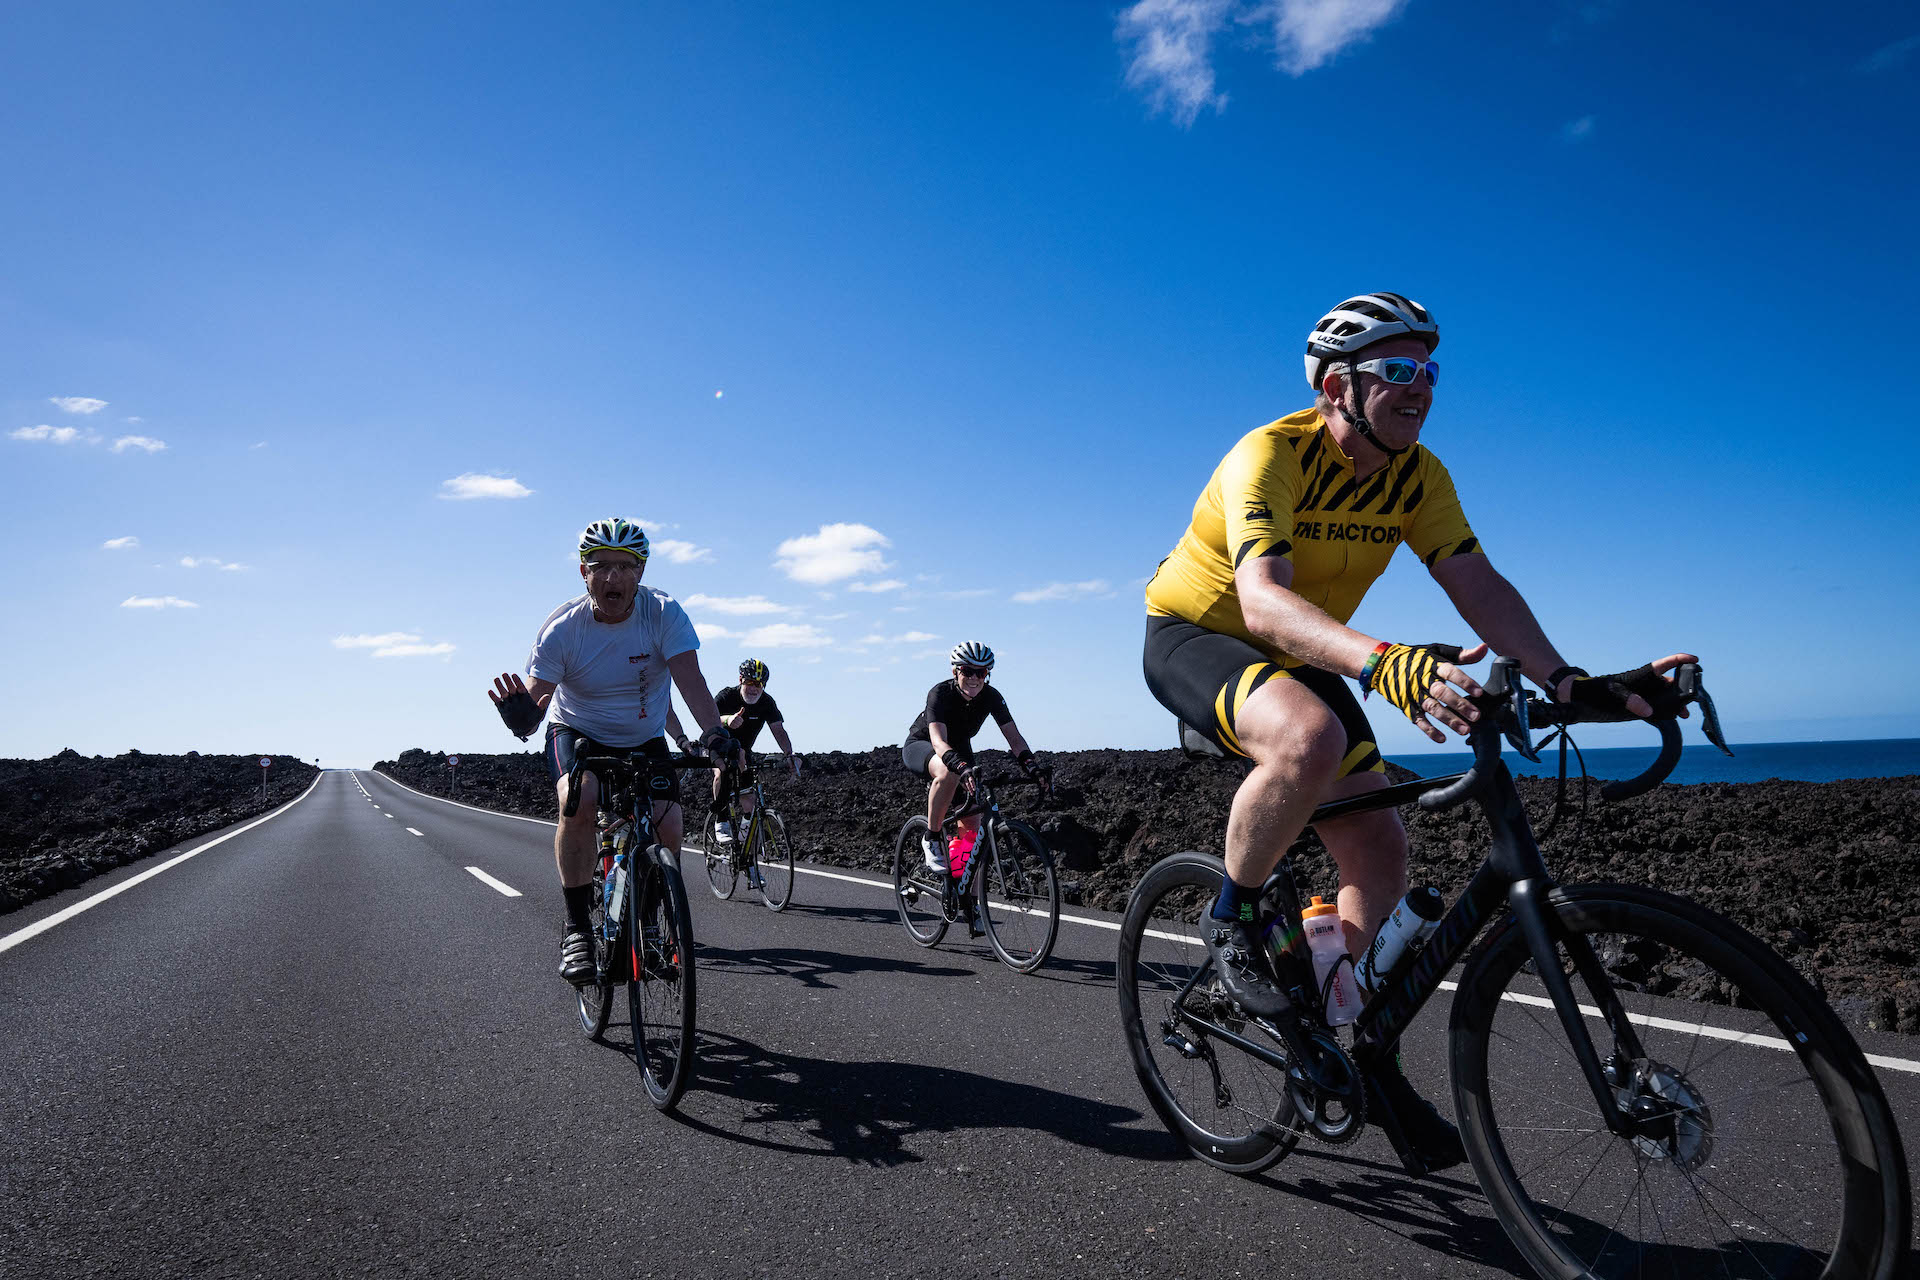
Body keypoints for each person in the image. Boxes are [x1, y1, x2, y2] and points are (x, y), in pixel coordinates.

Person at [1141, 292, 1695, 1171]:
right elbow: (1264, 602)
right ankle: (1232, 915)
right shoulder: (1269, 455)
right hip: (1203, 631)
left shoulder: (1419, 475)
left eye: (1429, 370)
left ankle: (1357, 1042)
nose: (1421, 387)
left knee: (1383, 850)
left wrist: (1568, 681)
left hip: (1309, 646)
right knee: (1309, 739)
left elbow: (1479, 585)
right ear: (1336, 386)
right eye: (1396, 369)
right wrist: (1386, 662)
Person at [488, 517, 734, 985]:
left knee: (668, 822)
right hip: (576, 730)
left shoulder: (663, 614)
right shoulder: (563, 628)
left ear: (641, 572)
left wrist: (714, 735)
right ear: (584, 572)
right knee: (578, 799)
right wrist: (522, 719)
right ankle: (578, 929)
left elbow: (692, 683)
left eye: (625, 566)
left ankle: (650, 925)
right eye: (601, 566)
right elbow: (536, 706)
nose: (612, 577)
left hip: (643, 736)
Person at [901, 643, 1053, 904]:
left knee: (973, 830)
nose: (974, 678)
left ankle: (970, 903)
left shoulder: (991, 696)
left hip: (960, 750)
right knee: (949, 772)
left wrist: (1033, 767)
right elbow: (938, 741)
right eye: (967, 671)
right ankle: (932, 837)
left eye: (981, 673)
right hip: (924, 746)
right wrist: (960, 767)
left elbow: (1014, 738)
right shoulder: (939, 693)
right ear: (955, 671)